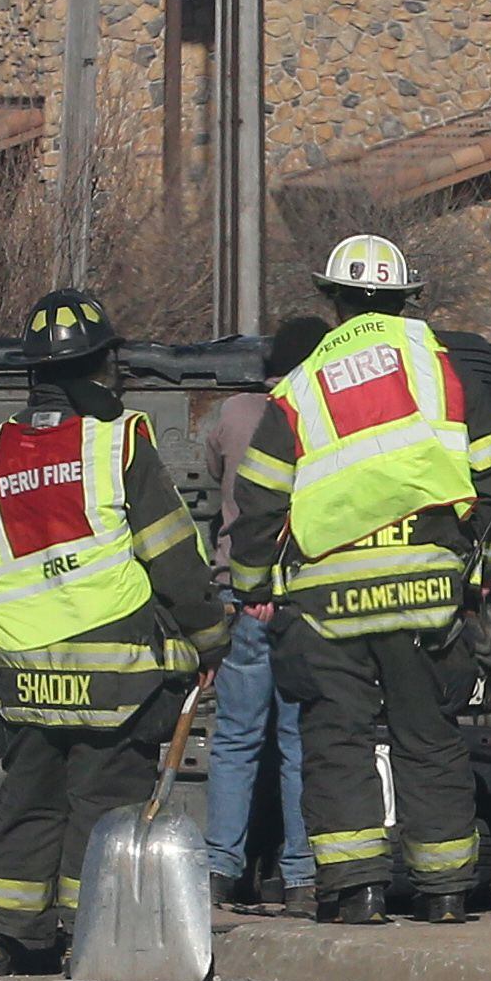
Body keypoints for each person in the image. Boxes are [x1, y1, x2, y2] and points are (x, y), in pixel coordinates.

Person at [228, 236, 491, 926]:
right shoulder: (441, 367)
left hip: (330, 597)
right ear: (403, 300)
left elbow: (260, 497)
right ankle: (446, 892)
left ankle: (356, 889)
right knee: (429, 736)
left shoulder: (298, 387)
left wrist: (252, 587)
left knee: (338, 740)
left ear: (331, 303)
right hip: (425, 586)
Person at [0, 287, 227, 977]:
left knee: (27, 800)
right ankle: (90, 930)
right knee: (103, 807)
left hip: (20, 665)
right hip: (111, 665)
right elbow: (169, 549)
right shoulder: (118, 438)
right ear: (103, 364)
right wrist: (207, 634)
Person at [203, 316, 331, 912]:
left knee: (234, 740)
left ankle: (219, 871)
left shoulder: (234, 414)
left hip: (238, 597)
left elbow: (214, 476)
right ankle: (302, 876)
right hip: (302, 598)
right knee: (301, 741)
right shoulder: (324, 415)